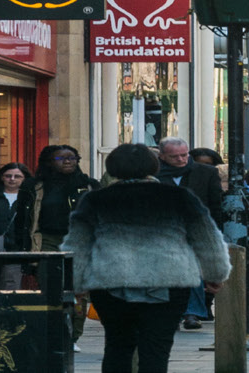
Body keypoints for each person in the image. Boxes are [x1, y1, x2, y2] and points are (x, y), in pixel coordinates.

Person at [64, 144, 231, 373]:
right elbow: (207, 238)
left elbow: (78, 244)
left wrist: (76, 283)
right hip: (169, 280)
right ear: (155, 166)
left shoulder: (96, 200)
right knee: (157, 348)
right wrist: (215, 274)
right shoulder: (179, 197)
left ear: (112, 168)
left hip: (112, 281)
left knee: (117, 346)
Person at [22, 144, 97, 346]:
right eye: (61, 158)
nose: (68, 161)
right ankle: (54, 332)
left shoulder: (88, 185)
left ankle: (73, 335)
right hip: (46, 240)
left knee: (78, 290)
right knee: (51, 287)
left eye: (72, 158)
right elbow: (23, 220)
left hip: (79, 241)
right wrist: (23, 254)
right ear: (48, 162)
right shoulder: (33, 186)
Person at [155, 138, 227, 329]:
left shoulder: (206, 172)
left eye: (184, 155)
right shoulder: (153, 174)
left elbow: (215, 205)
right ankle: (168, 311)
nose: (180, 159)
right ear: (162, 156)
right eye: (174, 156)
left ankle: (192, 312)